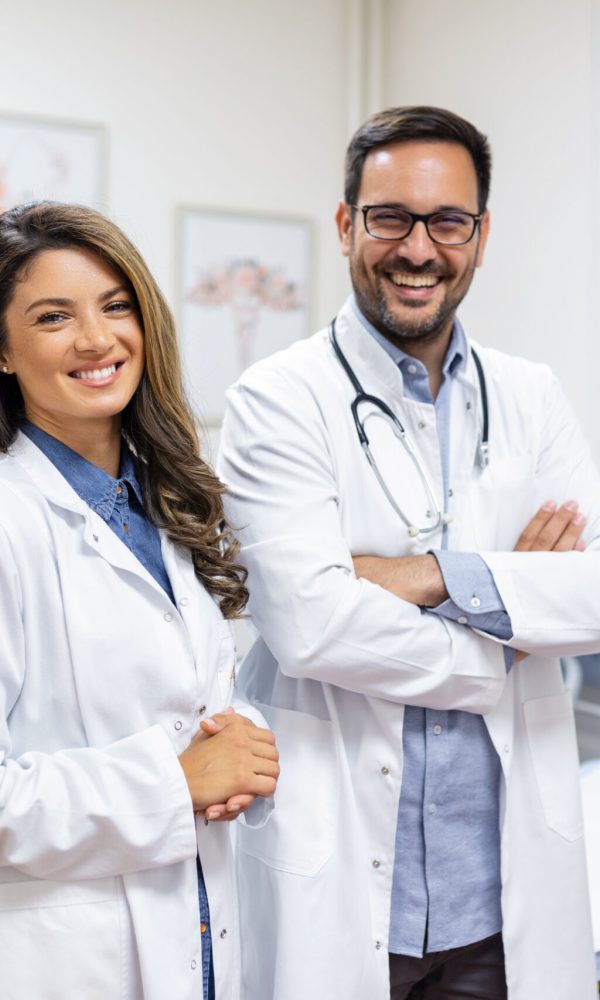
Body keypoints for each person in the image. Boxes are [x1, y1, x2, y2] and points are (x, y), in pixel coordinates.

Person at [217, 107, 600, 1000]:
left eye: (447, 222)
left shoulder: (532, 396)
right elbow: (312, 628)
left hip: (501, 905)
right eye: (390, 217)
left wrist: (423, 576)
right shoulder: (278, 399)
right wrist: (508, 623)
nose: (418, 249)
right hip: (349, 897)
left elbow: (594, 592)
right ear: (348, 222)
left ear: (481, 233)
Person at [0, 201, 279, 1000]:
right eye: (54, 317)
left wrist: (236, 740)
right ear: (5, 351)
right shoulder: (11, 520)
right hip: (61, 960)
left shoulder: (161, 497)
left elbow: (175, 699)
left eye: (116, 307)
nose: (97, 339)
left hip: (195, 934)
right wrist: (175, 779)